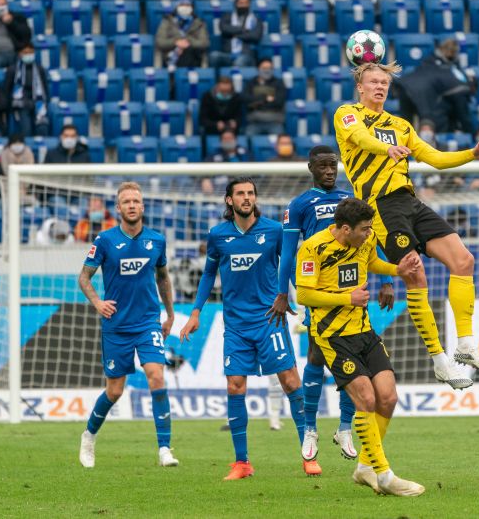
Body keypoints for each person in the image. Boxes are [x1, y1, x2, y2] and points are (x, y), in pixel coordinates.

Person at [334, 62, 479, 389]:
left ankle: (466, 344)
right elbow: (358, 137)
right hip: (380, 205)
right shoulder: (347, 114)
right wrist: (386, 148)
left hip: (410, 201)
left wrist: (472, 153)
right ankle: (439, 360)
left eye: (384, 82)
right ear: (360, 87)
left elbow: (436, 158)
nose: (379, 87)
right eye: (373, 82)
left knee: (463, 260)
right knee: (415, 273)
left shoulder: (400, 124)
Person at [266, 146, 395, 471]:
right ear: (311, 167)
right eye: (322, 166)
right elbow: (288, 251)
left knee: (357, 364)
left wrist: (387, 280)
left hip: (354, 289)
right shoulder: (299, 205)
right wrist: (284, 292)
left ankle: (345, 427)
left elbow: (371, 242)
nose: (328, 170)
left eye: (332, 165)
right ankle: (310, 427)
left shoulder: (348, 200)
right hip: (319, 289)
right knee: (315, 355)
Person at [179, 177, 308, 480]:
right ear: (229, 200)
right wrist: (195, 312)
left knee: (290, 382)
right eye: (241, 194)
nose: (247, 198)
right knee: (235, 386)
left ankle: (308, 453)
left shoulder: (275, 231)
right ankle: (242, 463)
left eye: (251, 193)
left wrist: (304, 304)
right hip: (235, 325)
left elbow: (289, 267)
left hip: (270, 320)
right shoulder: (218, 235)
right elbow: (209, 274)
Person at [295, 198, 424, 496]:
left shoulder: (363, 241)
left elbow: (372, 262)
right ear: (344, 229)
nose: (369, 235)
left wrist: (397, 269)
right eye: (365, 230)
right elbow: (303, 294)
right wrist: (346, 298)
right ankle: (385, 474)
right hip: (333, 337)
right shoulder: (314, 248)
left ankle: (365, 467)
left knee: (388, 397)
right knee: (365, 399)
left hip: (364, 330)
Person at [78, 181, 179, 469]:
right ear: (118, 208)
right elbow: (84, 278)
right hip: (116, 325)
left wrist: (169, 314)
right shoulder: (105, 241)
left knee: (156, 377)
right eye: (127, 202)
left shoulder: (157, 240)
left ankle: (164, 449)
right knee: (115, 391)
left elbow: (163, 277)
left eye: (136, 200)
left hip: (148, 321)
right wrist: (98, 302)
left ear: (143, 206)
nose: (132, 205)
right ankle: (89, 436)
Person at [395, 39, 476, 134]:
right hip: (424, 95)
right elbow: (463, 112)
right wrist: (471, 134)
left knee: (405, 131)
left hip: (404, 86)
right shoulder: (457, 78)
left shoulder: (430, 60)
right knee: (437, 125)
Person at [4, 42, 50, 138]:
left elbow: (45, 88)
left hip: (38, 103)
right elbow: (7, 90)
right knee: (26, 130)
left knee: (42, 128)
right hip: (21, 105)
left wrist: (44, 103)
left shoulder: (39, 69)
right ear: (20, 54)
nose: (28, 55)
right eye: (25, 52)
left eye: (31, 52)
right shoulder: (13, 70)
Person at [155, 0, 209, 70]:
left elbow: (204, 43)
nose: (185, 7)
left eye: (188, 5)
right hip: (170, 56)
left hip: (193, 57)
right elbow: (160, 42)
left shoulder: (199, 23)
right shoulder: (167, 21)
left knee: (188, 52)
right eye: (182, 4)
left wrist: (187, 41)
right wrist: (176, 42)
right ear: (177, 6)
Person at [209, 0, 263, 69]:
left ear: (249, 4)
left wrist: (237, 35)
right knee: (214, 56)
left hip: (246, 56)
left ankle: (234, 80)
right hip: (228, 54)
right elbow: (223, 28)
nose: (243, 5)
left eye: (246, 3)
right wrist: (243, 30)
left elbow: (255, 36)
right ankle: (217, 80)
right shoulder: (227, 16)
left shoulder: (255, 19)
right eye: (241, 3)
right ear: (236, 4)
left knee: (239, 62)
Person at [242, 58, 287, 136]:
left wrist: (256, 102)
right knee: (248, 138)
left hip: (274, 122)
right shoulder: (251, 83)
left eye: (270, 68)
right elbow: (246, 99)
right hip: (255, 122)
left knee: (281, 141)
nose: (267, 70)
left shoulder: (279, 83)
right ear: (258, 69)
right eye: (264, 68)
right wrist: (266, 99)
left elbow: (279, 102)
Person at [0, 133, 37, 204]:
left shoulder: (30, 156)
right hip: (7, 195)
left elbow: (35, 182)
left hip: (26, 195)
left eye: (19, 143)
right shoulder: (1, 159)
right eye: (15, 143)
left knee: (36, 204)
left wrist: (26, 190)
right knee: (1, 203)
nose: (17, 146)